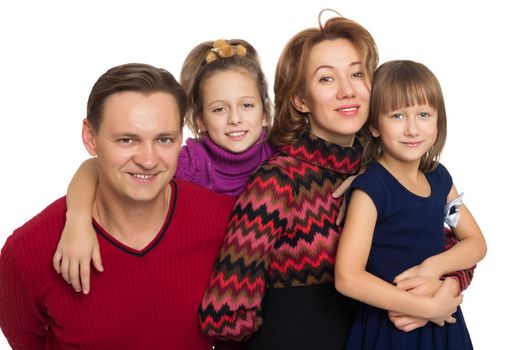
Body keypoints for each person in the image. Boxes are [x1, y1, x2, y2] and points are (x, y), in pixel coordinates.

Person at [197, 14, 476, 350]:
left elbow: (449, 243)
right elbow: (225, 311)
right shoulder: (280, 180)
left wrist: (445, 289)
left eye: (357, 74)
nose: (348, 90)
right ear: (301, 99)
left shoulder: (381, 171)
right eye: (327, 79)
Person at [0, 63, 236, 349]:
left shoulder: (225, 223)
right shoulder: (27, 252)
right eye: (127, 140)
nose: (148, 160)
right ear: (91, 138)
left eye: (164, 139)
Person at [52, 39, 275, 295]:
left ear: (265, 112)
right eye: (219, 109)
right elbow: (93, 167)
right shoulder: (188, 163)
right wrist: (78, 220)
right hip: (207, 289)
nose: (235, 118)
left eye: (247, 105)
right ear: (199, 119)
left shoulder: (282, 155)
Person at [334, 60, 487, 349]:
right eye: (397, 116)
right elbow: (347, 277)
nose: (412, 129)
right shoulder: (371, 189)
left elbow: (476, 243)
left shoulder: (440, 179)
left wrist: (434, 268)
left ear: (438, 120)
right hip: (390, 329)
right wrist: (427, 309)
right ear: (375, 126)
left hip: (442, 327)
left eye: (424, 114)